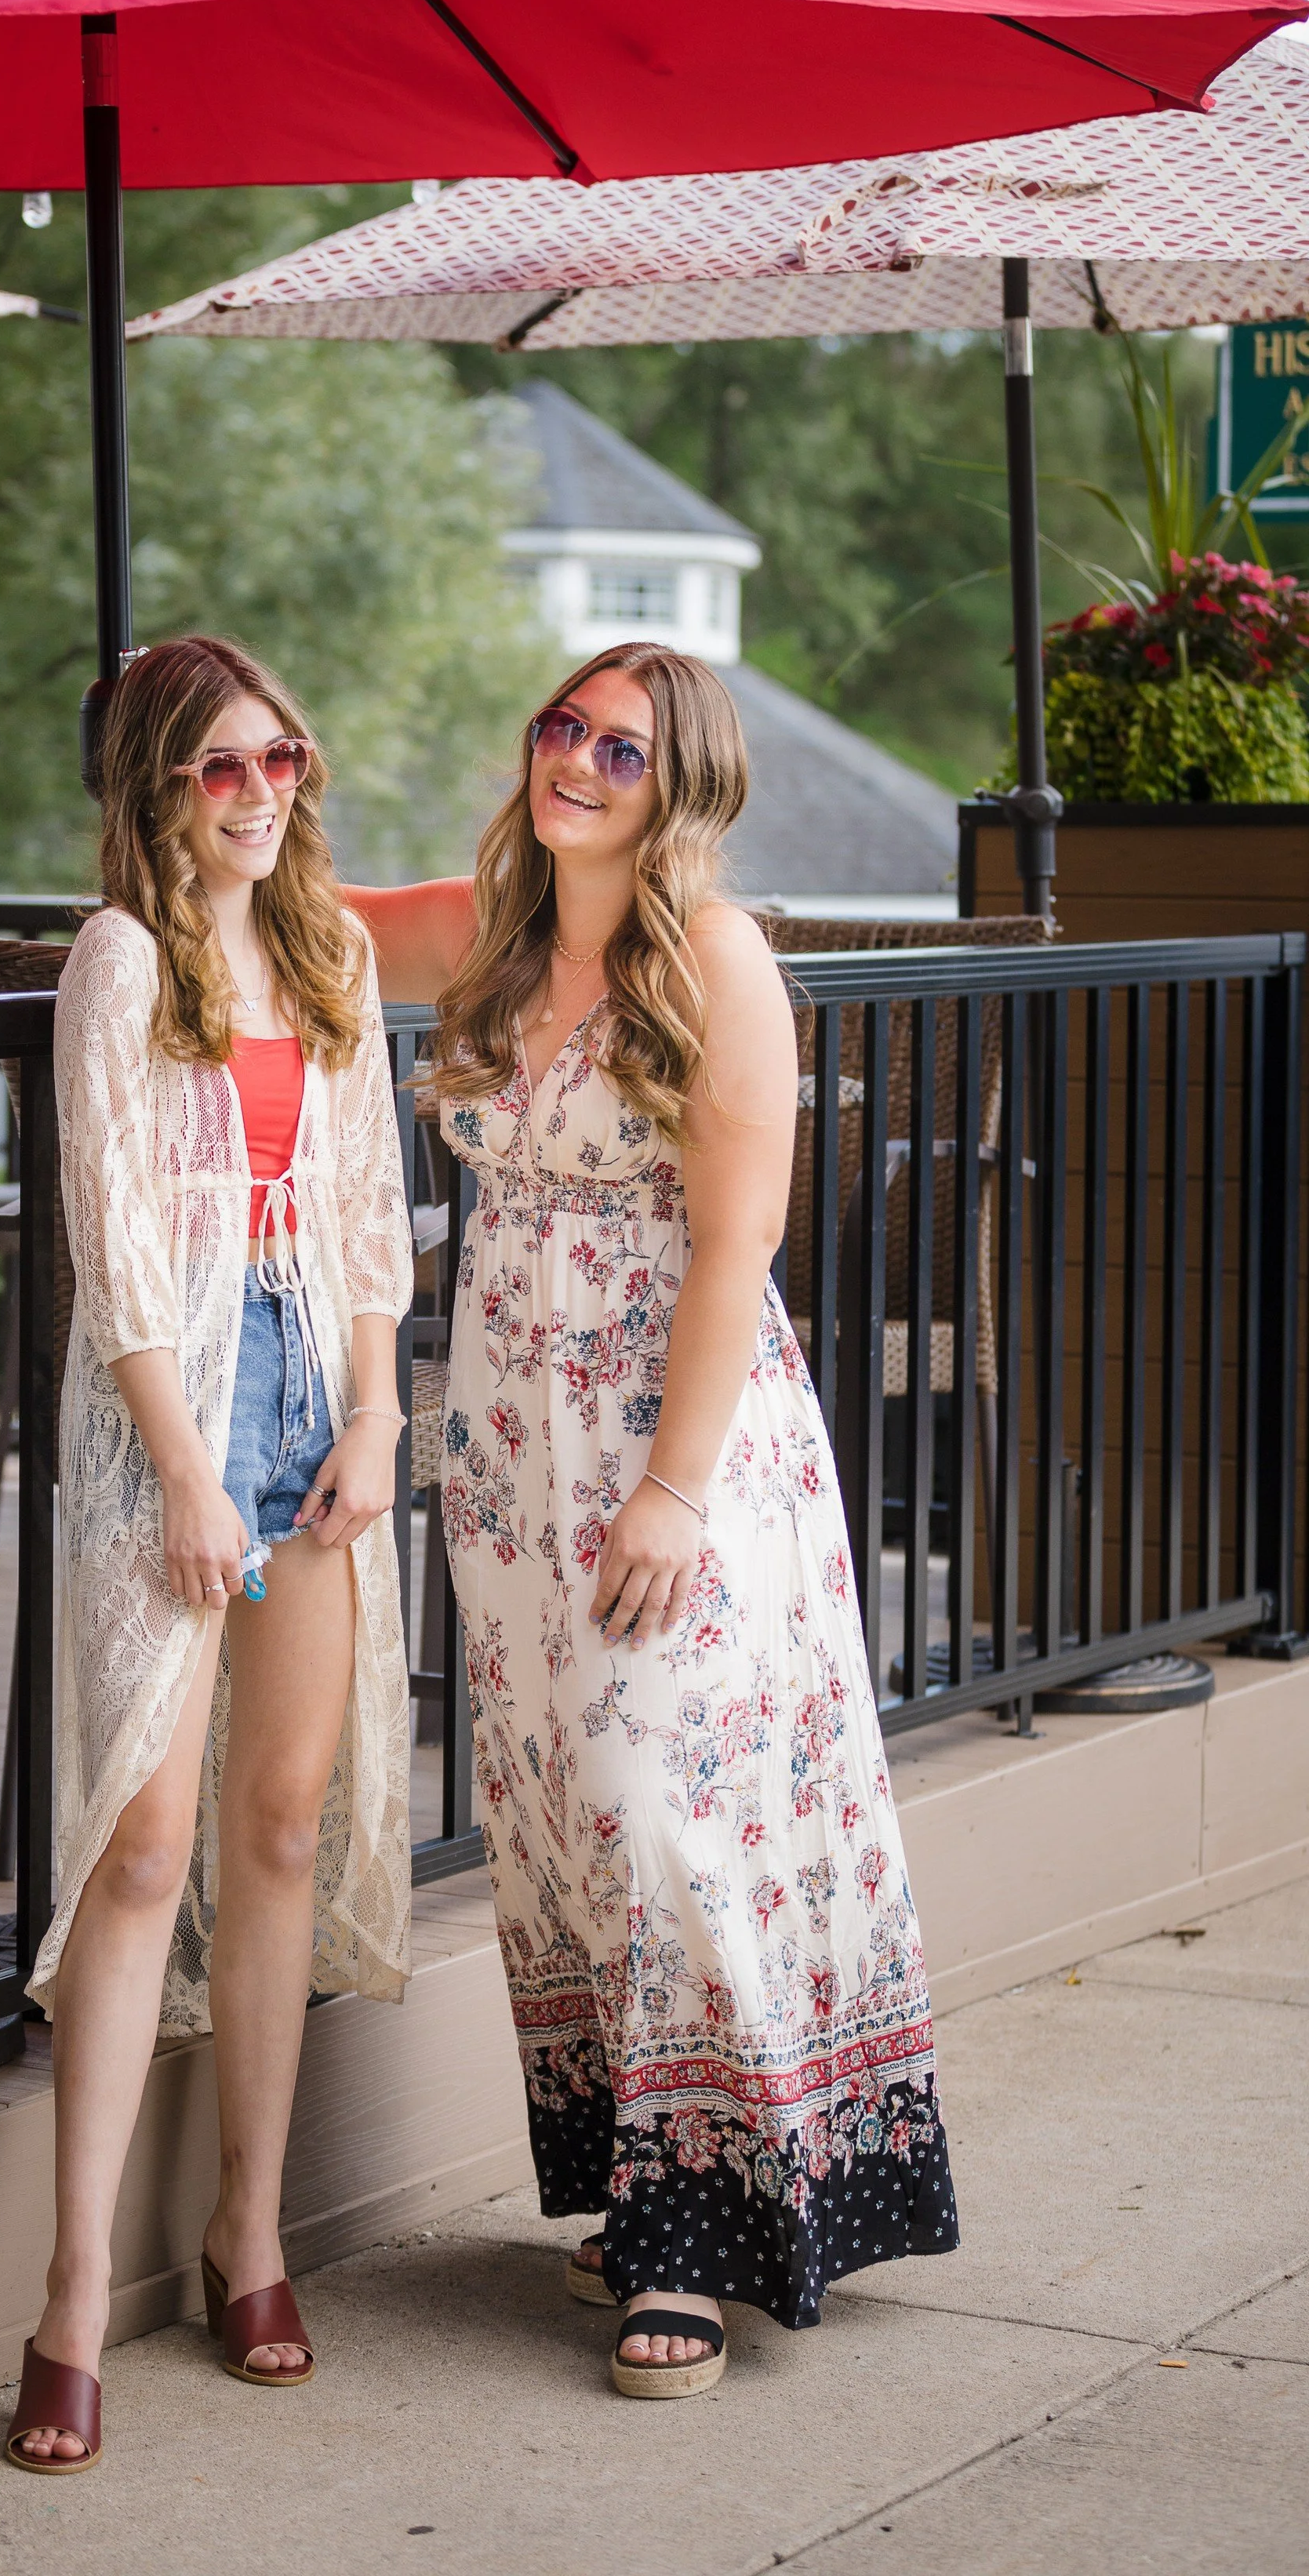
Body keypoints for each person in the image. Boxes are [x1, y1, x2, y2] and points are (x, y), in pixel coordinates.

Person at [347, 643, 958, 2398]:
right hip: (509, 1450)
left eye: (619, 744)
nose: (578, 763)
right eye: (561, 729)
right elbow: (300, 908)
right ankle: (644, 2180)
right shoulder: (494, 928)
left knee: (663, 1802)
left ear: (680, 778)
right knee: (561, 1821)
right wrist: (205, 805)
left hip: (667, 1448)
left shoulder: (722, 964)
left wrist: (674, 1491)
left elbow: (735, 1243)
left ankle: (706, 2228)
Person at [5, 638, 415, 2473]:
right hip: (174, 1412)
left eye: (284, 763)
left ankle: (247, 2230)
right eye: (223, 772)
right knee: (139, 1841)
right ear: (159, 788)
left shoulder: (326, 956)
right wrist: (184, 1475)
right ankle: (74, 2293)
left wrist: (378, 1417)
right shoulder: (120, 961)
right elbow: (111, 1258)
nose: (265, 799)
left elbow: (369, 1215)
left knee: (274, 1824)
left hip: (311, 1396)